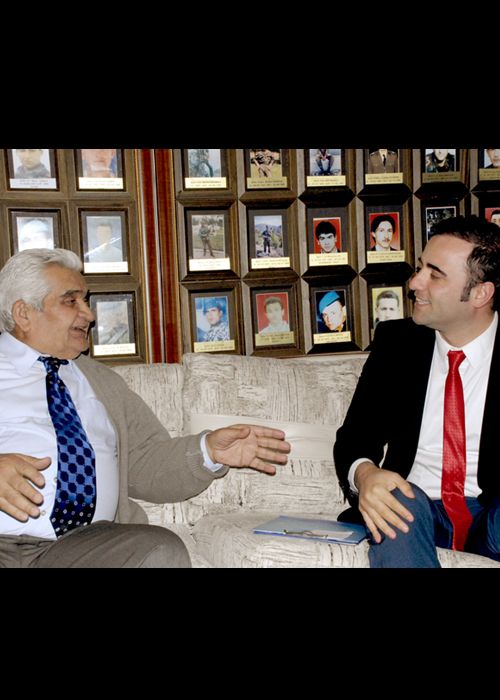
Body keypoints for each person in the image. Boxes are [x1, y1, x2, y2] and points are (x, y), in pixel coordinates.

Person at [0, 249, 290, 568]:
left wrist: (208, 451)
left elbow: (144, 464)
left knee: (160, 549)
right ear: (23, 313)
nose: (89, 314)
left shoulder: (102, 383)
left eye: (85, 300)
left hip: (82, 548)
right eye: (71, 301)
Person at [334, 214, 500, 567]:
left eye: (434, 275)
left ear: (480, 293)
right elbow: (354, 438)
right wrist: (366, 475)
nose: (414, 283)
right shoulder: (397, 345)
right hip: (415, 508)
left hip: (492, 516)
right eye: (420, 267)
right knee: (394, 498)